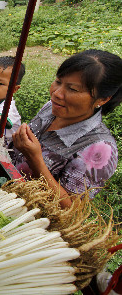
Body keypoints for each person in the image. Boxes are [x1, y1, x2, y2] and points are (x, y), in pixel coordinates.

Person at [12, 50, 122, 208]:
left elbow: (70, 211)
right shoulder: (53, 108)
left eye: (73, 89)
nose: (56, 93)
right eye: (58, 81)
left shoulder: (100, 149)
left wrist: (35, 159)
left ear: (103, 99)